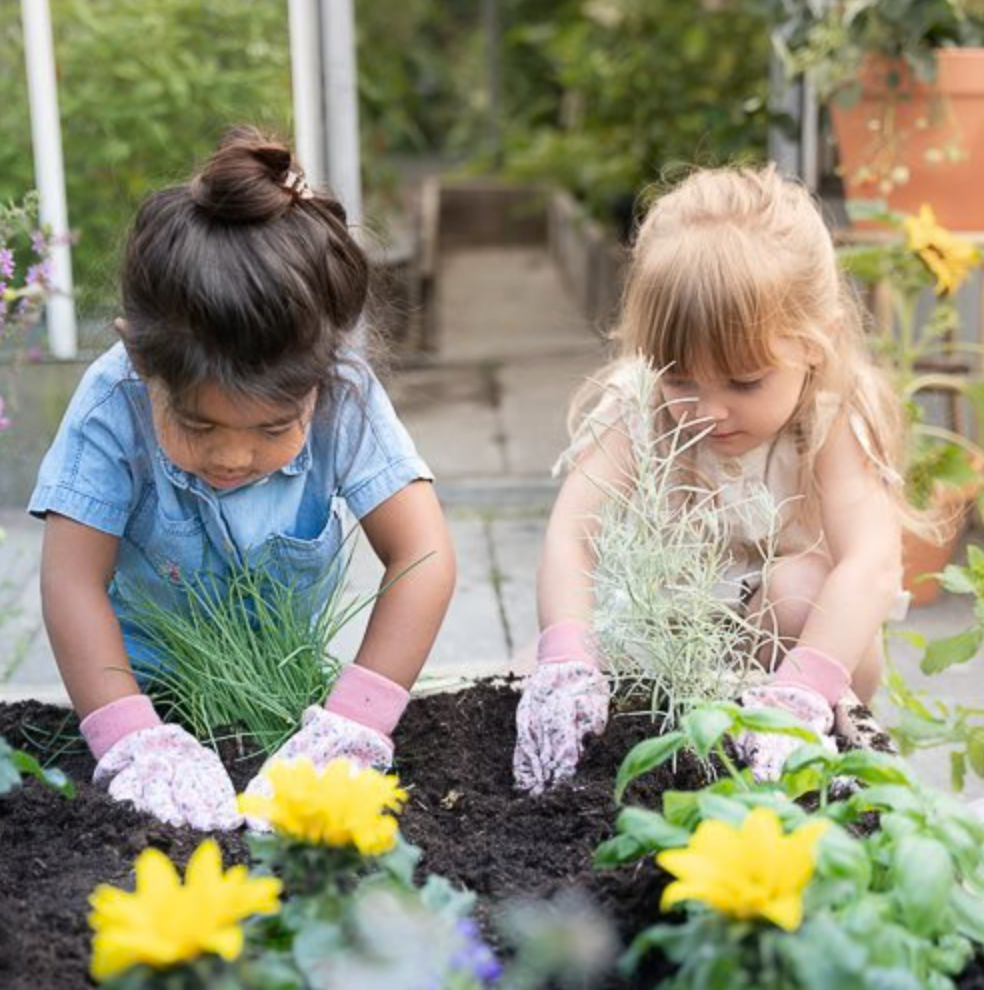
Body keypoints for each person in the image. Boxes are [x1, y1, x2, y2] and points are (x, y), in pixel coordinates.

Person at [30, 127, 455, 830]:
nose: (232, 457)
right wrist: (133, 738)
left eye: (272, 428)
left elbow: (424, 554)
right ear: (141, 360)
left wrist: (353, 725)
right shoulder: (112, 405)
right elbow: (71, 580)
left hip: (284, 697)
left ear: (321, 377)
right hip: (145, 692)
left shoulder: (345, 397)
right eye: (198, 427)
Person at [514, 164, 927, 794]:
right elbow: (572, 534)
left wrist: (799, 695)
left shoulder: (829, 413)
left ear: (816, 343)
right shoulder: (638, 403)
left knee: (801, 587)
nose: (707, 411)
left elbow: (871, 562)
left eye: (743, 382)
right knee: (523, 678)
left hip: (789, 647)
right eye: (680, 379)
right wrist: (568, 660)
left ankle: (799, 747)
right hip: (665, 640)